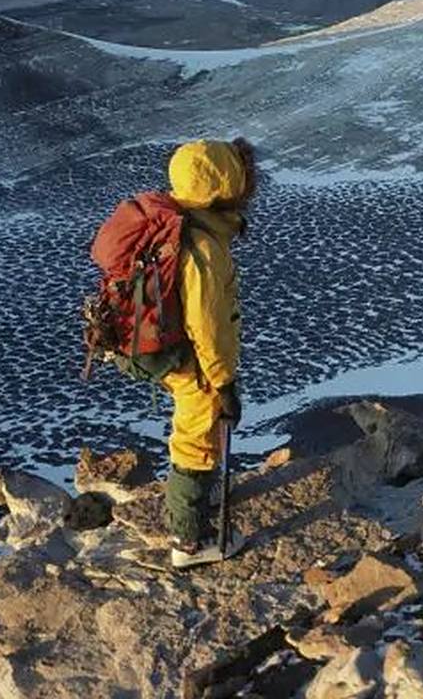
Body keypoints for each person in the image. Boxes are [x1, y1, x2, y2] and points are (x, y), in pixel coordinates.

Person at [159, 137, 255, 568]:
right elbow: (207, 327)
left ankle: (195, 500)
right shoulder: (202, 247)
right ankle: (189, 541)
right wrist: (224, 383)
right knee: (195, 439)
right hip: (194, 362)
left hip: (180, 354)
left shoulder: (181, 226)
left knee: (196, 427)